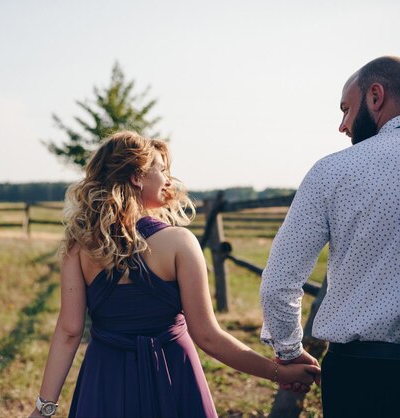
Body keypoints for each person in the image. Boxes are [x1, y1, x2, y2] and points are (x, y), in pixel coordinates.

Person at [30, 131, 319, 418]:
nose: (168, 179)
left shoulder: (80, 246)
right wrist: (276, 372)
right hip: (173, 373)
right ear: (137, 177)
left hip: (105, 378)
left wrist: (43, 410)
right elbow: (207, 336)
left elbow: (69, 332)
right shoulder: (180, 243)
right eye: (161, 169)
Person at [260, 56, 400, 418]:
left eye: (346, 109)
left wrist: (290, 354)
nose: (343, 125)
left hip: (366, 376)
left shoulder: (334, 172)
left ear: (375, 95)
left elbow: (278, 283)